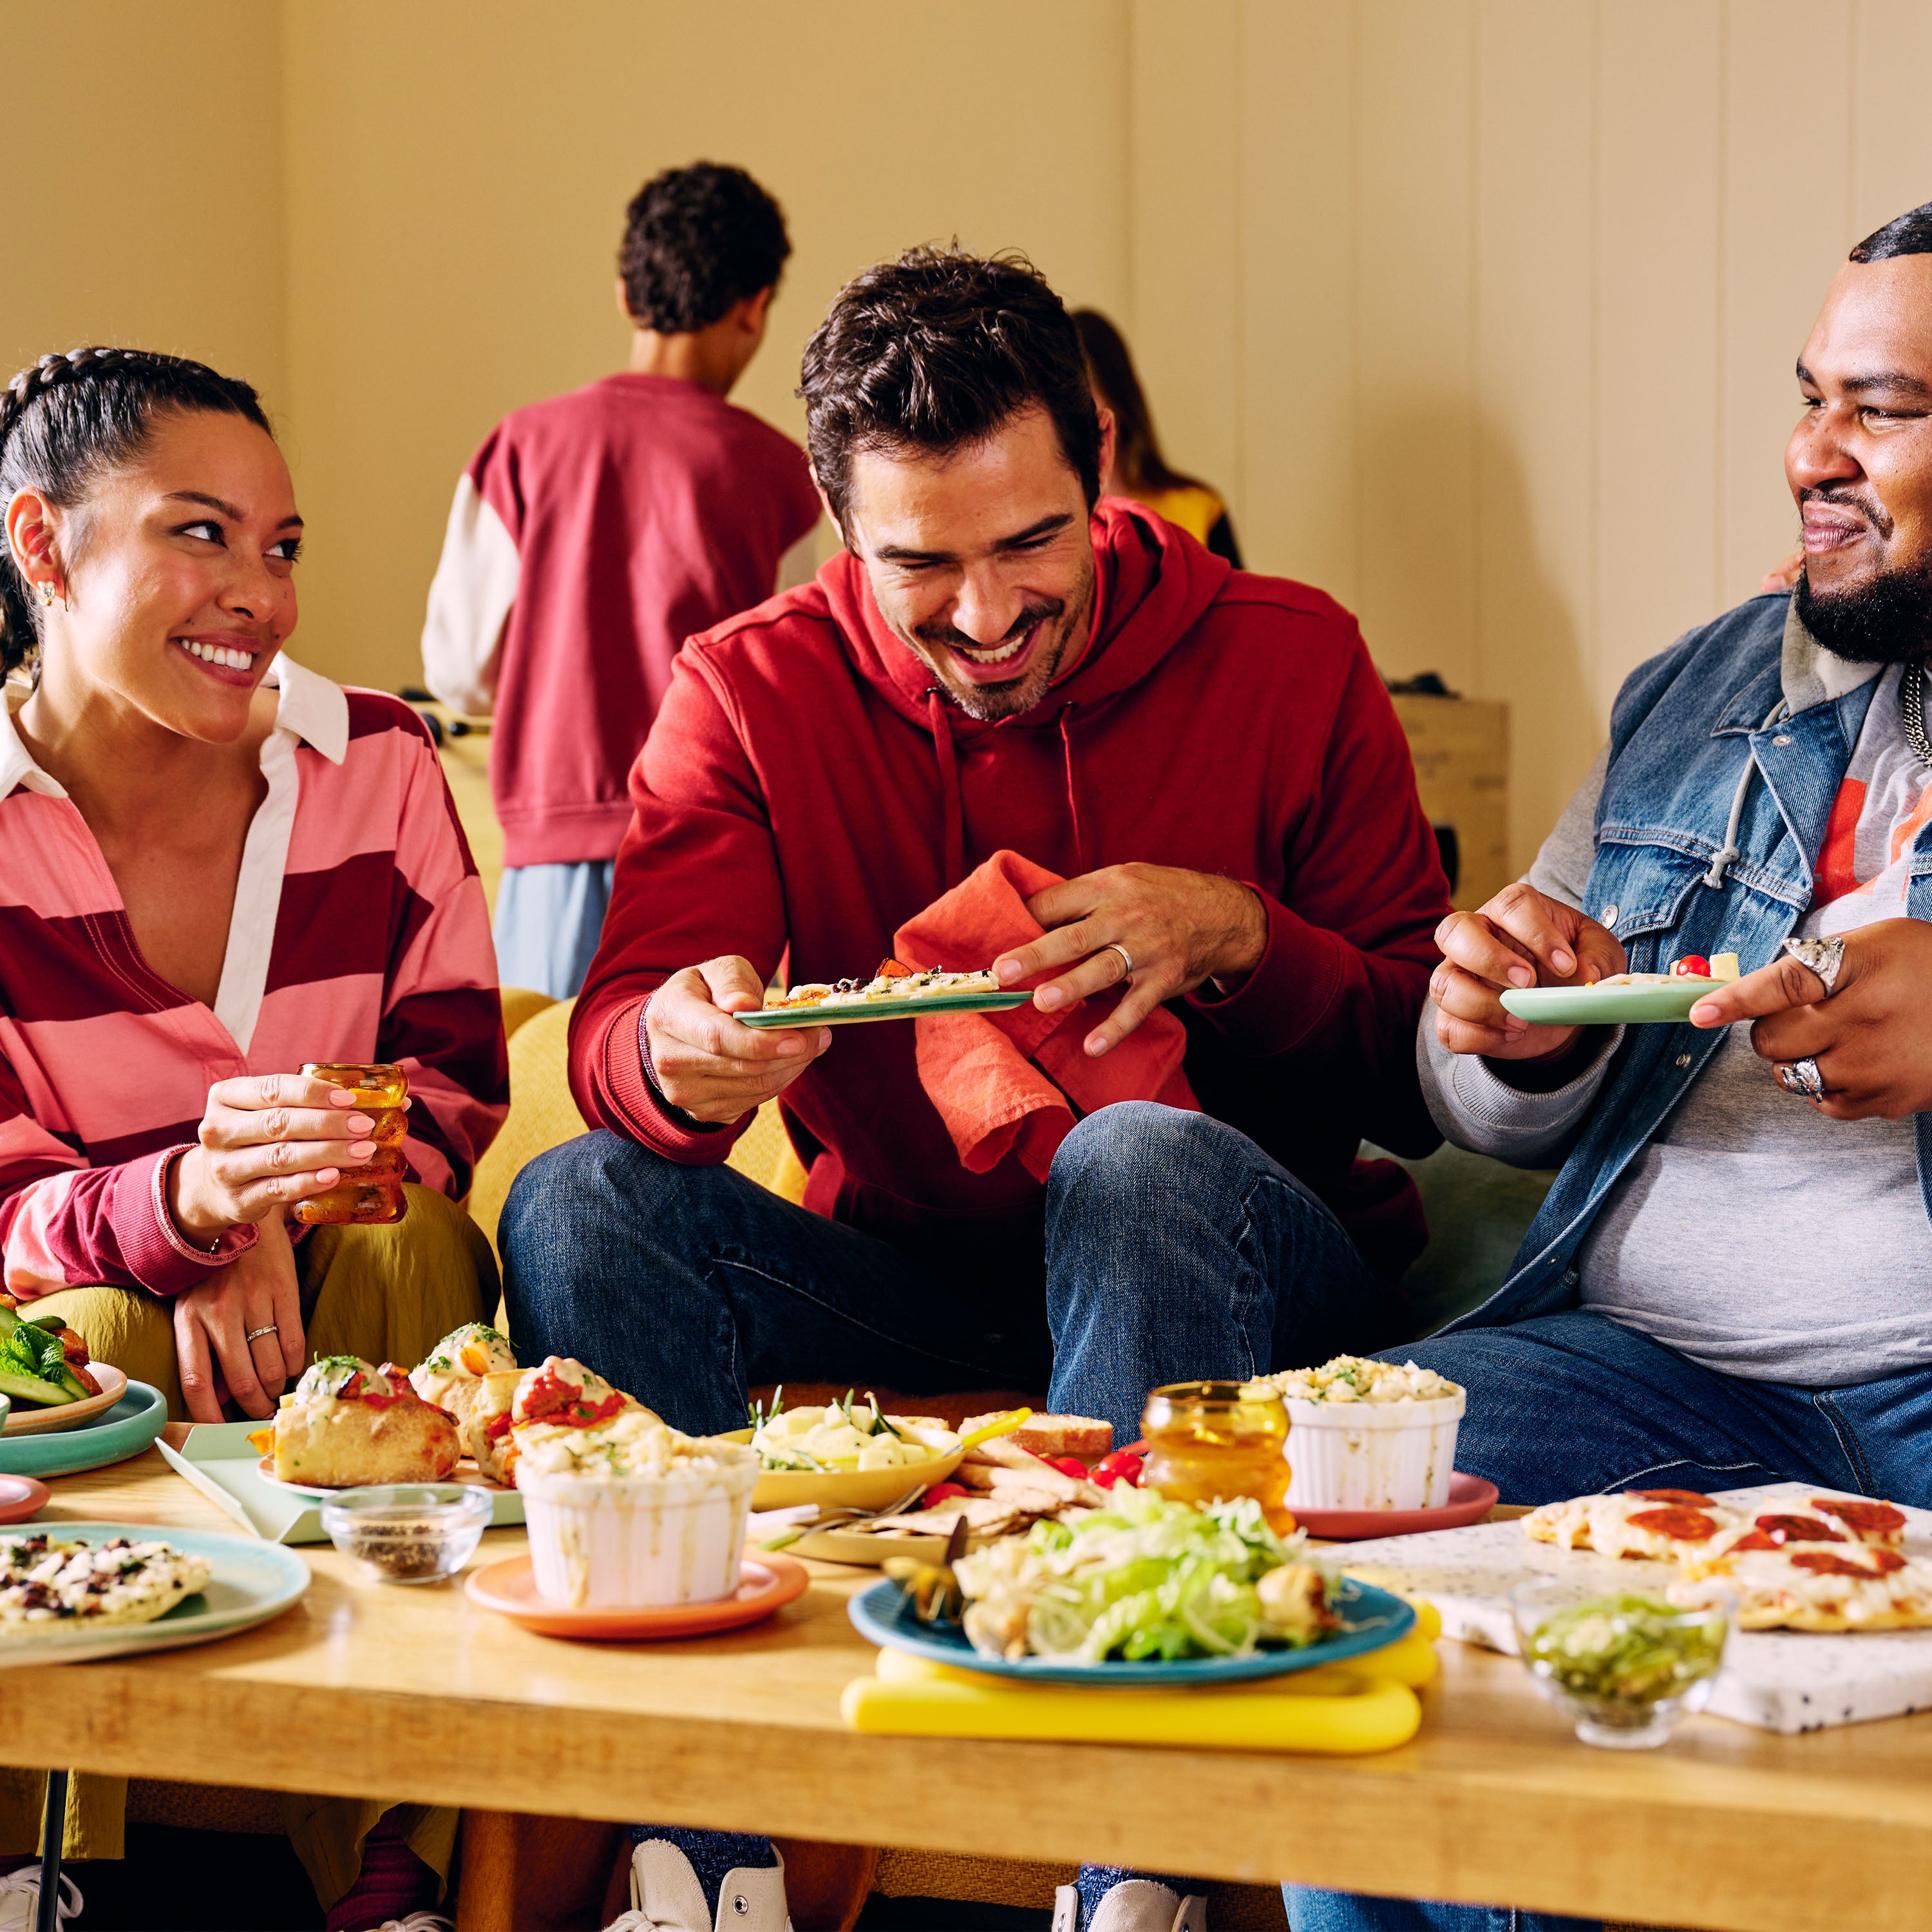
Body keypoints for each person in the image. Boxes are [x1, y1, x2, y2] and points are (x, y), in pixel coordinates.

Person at [500, 246, 1449, 1932]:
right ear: (831, 521)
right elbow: (622, 1017)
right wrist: (674, 1047)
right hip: (917, 1288)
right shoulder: (747, 687)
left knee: (1144, 1159)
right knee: (578, 1193)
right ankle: (698, 1850)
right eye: (919, 568)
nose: (989, 618)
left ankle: (1131, 1866)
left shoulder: (1293, 657)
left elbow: (1420, 1068)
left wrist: (1240, 935)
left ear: (1102, 467)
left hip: (1242, 1278)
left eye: (1030, 546)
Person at [1288, 203, 1932, 1932]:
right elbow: (1490, 1104)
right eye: (1813, 398)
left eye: (1887, 409)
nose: (1814, 453)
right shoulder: (1696, 689)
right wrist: (1501, 1025)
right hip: (1648, 1365)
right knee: (1334, 1537)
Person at [0, 345, 507, 1930]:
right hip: (93, 1315)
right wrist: (179, 1207)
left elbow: (453, 1085)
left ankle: (387, 1854)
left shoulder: (379, 766)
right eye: (200, 534)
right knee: (69, 1322)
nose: (260, 594)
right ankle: (49, 1857)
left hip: (343, 1296)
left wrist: (264, 1207)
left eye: (280, 545)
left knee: (417, 1238)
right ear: (42, 543)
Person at [421, 161, 823, 999]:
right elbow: (791, 682)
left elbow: (457, 669)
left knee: (541, 1081)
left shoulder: (523, 447)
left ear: (624, 295)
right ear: (754, 307)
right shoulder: (781, 476)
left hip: (555, 846)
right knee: (695, 1095)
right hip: (715, 847)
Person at [1074, 308, 1242, 565]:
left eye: (1079, 395)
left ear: (1117, 398)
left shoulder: (1199, 510)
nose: (1065, 415)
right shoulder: (1044, 524)